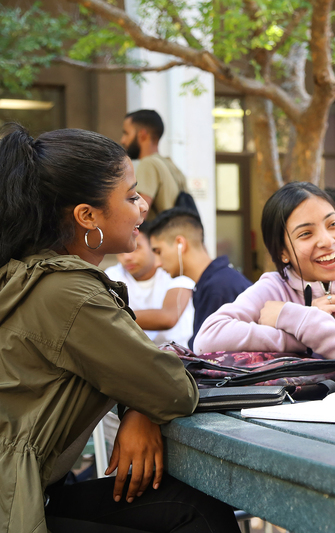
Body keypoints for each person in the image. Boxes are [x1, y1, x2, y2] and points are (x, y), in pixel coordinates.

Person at [0, 124, 239, 532]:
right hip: (16, 508)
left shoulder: (25, 273)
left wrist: (137, 405)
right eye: (131, 196)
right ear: (86, 216)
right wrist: (144, 399)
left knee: (192, 507)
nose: (143, 208)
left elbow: (141, 378)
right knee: (196, 514)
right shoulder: (68, 294)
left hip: (30, 488)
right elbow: (172, 389)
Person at [194, 182, 335, 383]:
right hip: (285, 411)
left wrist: (293, 317)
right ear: (283, 252)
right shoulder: (274, 287)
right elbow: (206, 339)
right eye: (305, 234)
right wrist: (300, 333)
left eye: (333, 224)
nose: (328, 241)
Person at [148, 208, 252, 350]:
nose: (157, 263)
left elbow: (212, 358)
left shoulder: (219, 287)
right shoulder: (213, 282)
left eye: (159, 251)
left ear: (180, 244)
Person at [105, 221, 195, 347]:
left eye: (135, 248)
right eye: (121, 251)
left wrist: (112, 316)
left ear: (153, 246)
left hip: (178, 357)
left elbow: (168, 318)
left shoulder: (174, 270)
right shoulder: (111, 276)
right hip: (133, 355)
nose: (127, 257)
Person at [120, 109, 189, 221]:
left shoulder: (148, 164)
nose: (123, 140)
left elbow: (139, 214)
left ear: (142, 135)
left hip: (159, 237)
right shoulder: (170, 164)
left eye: (126, 133)